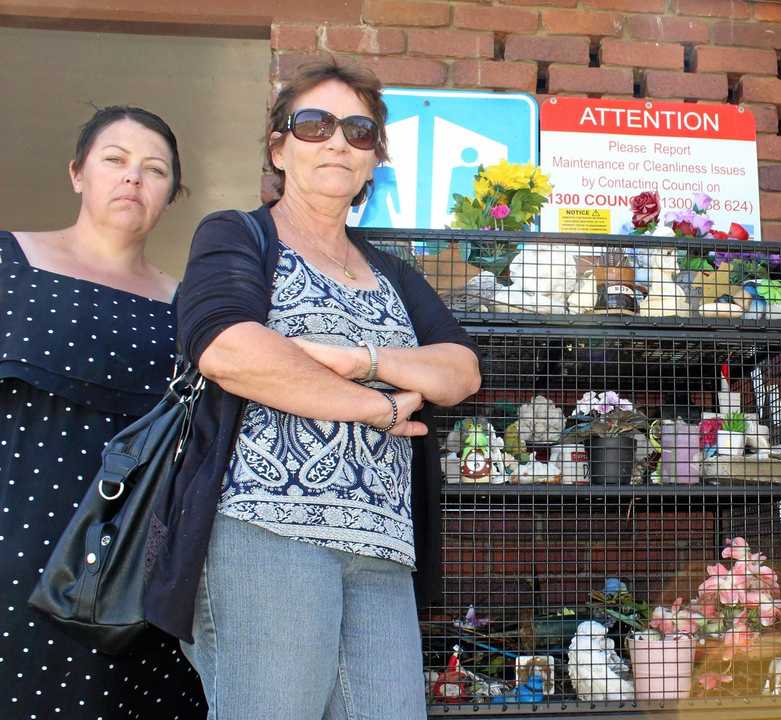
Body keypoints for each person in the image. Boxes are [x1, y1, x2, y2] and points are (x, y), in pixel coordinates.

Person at [142, 60, 481, 719]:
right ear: (279, 146)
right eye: (313, 123)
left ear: (373, 161)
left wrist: (360, 359)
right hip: (264, 533)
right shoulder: (239, 236)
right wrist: (378, 404)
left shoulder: (393, 274)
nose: (336, 141)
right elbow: (229, 349)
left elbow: (460, 372)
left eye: (358, 130)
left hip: (382, 549)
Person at [0, 106, 206, 717]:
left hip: (124, 572)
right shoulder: (8, 262)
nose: (132, 178)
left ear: (171, 195)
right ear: (77, 173)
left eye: (155, 170)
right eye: (114, 160)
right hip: (12, 535)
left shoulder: (191, 310)